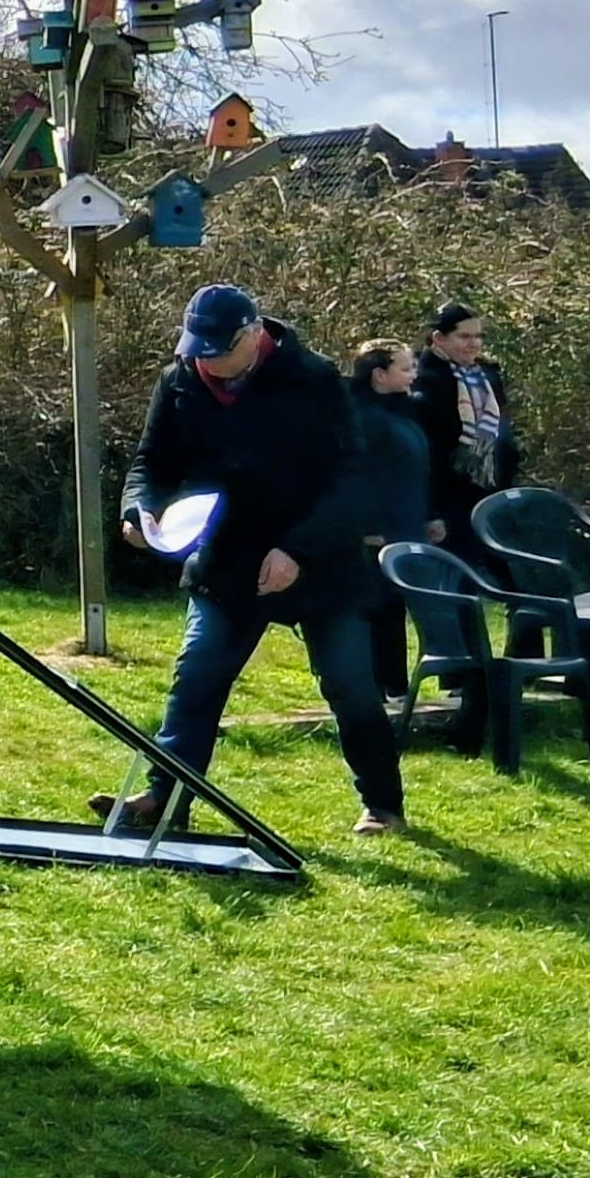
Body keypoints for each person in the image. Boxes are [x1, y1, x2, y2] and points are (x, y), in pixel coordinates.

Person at [114, 283, 404, 838]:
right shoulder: (179, 380)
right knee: (196, 679)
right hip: (225, 561)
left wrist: (298, 550)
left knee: (350, 686)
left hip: (320, 562)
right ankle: (164, 800)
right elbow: (151, 462)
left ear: (252, 335)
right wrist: (139, 510)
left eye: (219, 351)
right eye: (196, 349)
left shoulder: (314, 379)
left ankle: (383, 805)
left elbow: (352, 480)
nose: (206, 363)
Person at [341, 338, 443, 722]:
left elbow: (418, 468)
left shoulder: (405, 412)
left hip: (408, 523)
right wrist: (368, 527)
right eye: (405, 367)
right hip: (378, 532)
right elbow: (357, 476)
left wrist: (429, 516)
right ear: (379, 375)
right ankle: (375, 689)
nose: (413, 374)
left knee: (396, 607)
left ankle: (396, 686)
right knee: (377, 609)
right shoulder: (361, 417)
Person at [410, 302, 522, 558]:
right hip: (447, 498)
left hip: (488, 489)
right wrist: (432, 511)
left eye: (478, 336)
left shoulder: (485, 375)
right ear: (439, 338)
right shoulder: (422, 381)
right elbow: (426, 453)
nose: (474, 344)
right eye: (465, 337)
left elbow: (501, 429)